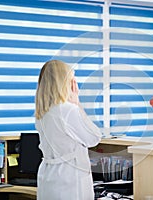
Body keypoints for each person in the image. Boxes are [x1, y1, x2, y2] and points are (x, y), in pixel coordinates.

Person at [35, 60, 102, 200]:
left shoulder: (42, 113)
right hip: (70, 179)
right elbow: (94, 138)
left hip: (49, 177)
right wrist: (77, 104)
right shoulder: (67, 110)